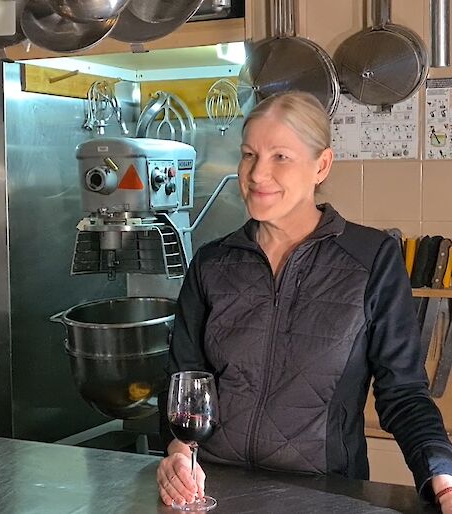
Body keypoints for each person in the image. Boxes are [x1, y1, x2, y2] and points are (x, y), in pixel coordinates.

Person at [156, 91, 452, 512]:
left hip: (323, 494)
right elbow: (181, 381)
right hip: (213, 491)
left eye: (281, 157)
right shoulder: (212, 262)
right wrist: (177, 452)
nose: (258, 174)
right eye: (248, 154)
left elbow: (402, 392)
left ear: (322, 165)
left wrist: (442, 476)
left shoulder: (371, 259)